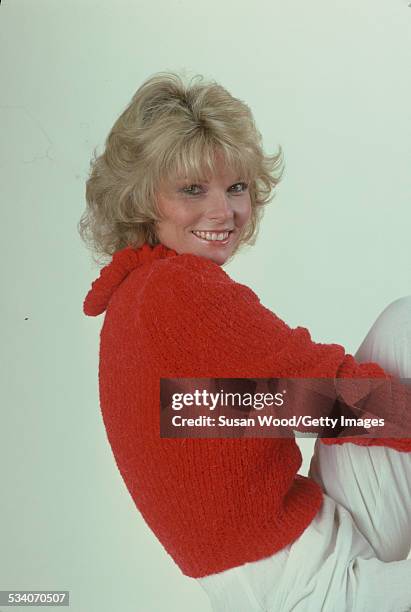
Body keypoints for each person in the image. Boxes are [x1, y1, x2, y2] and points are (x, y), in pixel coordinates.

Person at [79, 71, 411, 611]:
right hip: (308, 589)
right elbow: (326, 389)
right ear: (143, 199)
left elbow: (278, 403)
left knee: (403, 324)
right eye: (193, 190)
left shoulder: (141, 293)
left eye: (236, 187)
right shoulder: (176, 291)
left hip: (320, 527)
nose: (223, 212)